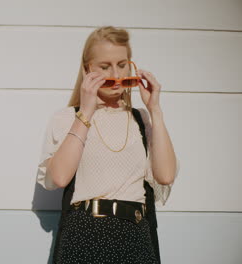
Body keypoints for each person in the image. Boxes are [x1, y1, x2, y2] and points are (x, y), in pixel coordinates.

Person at [36, 26, 180, 263]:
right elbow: (60, 178)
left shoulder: (141, 119)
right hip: (84, 235)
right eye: (104, 67)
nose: (116, 73)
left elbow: (165, 176)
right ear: (87, 70)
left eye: (122, 64)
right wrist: (87, 110)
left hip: (135, 235)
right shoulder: (67, 118)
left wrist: (155, 110)